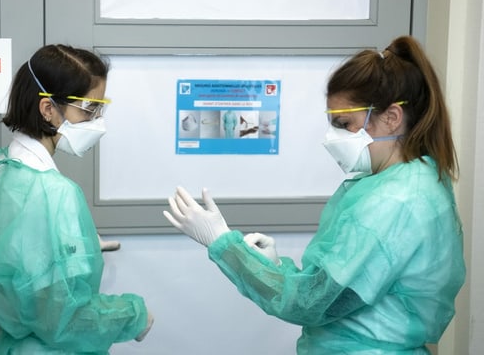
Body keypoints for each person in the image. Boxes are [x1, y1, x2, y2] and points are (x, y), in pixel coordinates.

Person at [163, 35, 465, 354]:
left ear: (391, 117)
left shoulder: (397, 199)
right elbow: (333, 288)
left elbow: (312, 303)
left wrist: (224, 244)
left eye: (344, 123)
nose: (331, 136)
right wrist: (276, 266)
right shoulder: (400, 181)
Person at [0, 44, 153, 354]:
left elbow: (2, 269)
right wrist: (135, 316)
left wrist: (72, 247)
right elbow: (62, 319)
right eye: (89, 108)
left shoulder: (0, 170)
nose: (97, 120)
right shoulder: (56, 191)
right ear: (48, 109)